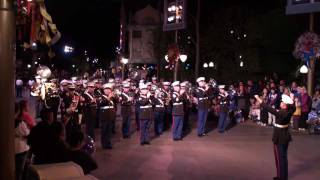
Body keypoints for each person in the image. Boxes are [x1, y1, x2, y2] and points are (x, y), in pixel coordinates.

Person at [255, 94, 295, 180]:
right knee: (284, 157)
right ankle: (283, 176)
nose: (280, 103)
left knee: (279, 158)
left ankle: (281, 177)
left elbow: (269, 108)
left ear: (285, 105)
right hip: (285, 136)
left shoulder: (281, 112)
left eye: (282, 102)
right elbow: (293, 107)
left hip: (279, 137)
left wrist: (259, 99)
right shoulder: (290, 111)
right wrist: (292, 100)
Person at [97, 83, 117, 149]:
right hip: (104, 116)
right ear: (104, 90)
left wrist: (115, 96)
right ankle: (104, 144)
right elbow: (101, 103)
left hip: (110, 116)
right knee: (104, 131)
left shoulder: (112, 97)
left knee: (109, 131)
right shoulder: (101, 96)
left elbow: (117, 101)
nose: (107, 91)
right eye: (106, 89)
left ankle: (108, 143)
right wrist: (108, 98)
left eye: (109, 89)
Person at [15, 103, 30, 180]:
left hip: (10, 149)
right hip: (21, 149)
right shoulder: (20, 123)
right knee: (20, 170)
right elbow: (27, 133)